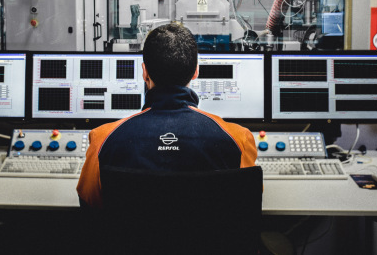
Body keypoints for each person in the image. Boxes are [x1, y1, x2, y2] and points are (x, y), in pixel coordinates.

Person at [76, 22, 257, 208]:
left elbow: (90, 204)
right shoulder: (239, 140)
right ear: (196, 72)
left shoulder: (102, 141)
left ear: (144, 72)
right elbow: (247, 203)